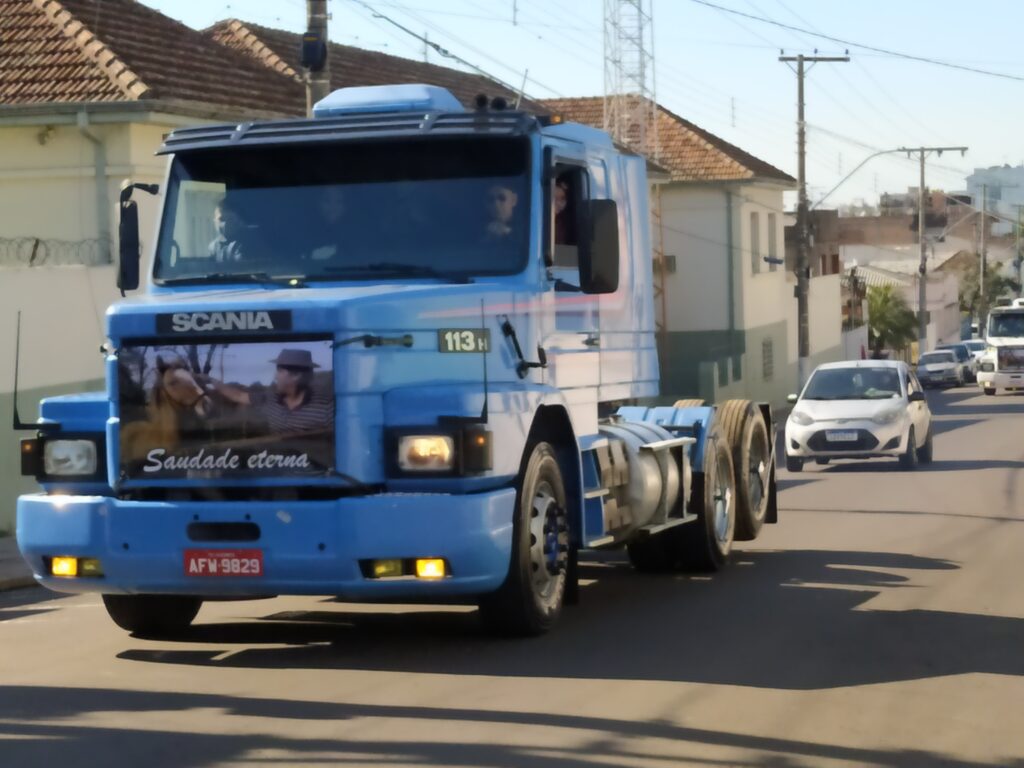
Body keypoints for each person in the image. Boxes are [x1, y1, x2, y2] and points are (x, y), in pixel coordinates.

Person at [205, 348, 333, 436]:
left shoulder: (326, 407)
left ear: (296, 375)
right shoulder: (269, 399)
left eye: (279, 371)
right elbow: (237, 395)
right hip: (278, 472)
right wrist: (209, 379)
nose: (275, 377)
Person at [208, 198, 246, 263]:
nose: (225, 224)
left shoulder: (245, 243)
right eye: (221, 219)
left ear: (239, 221)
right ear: (214, 221)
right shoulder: (213, 246)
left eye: (230, 219)